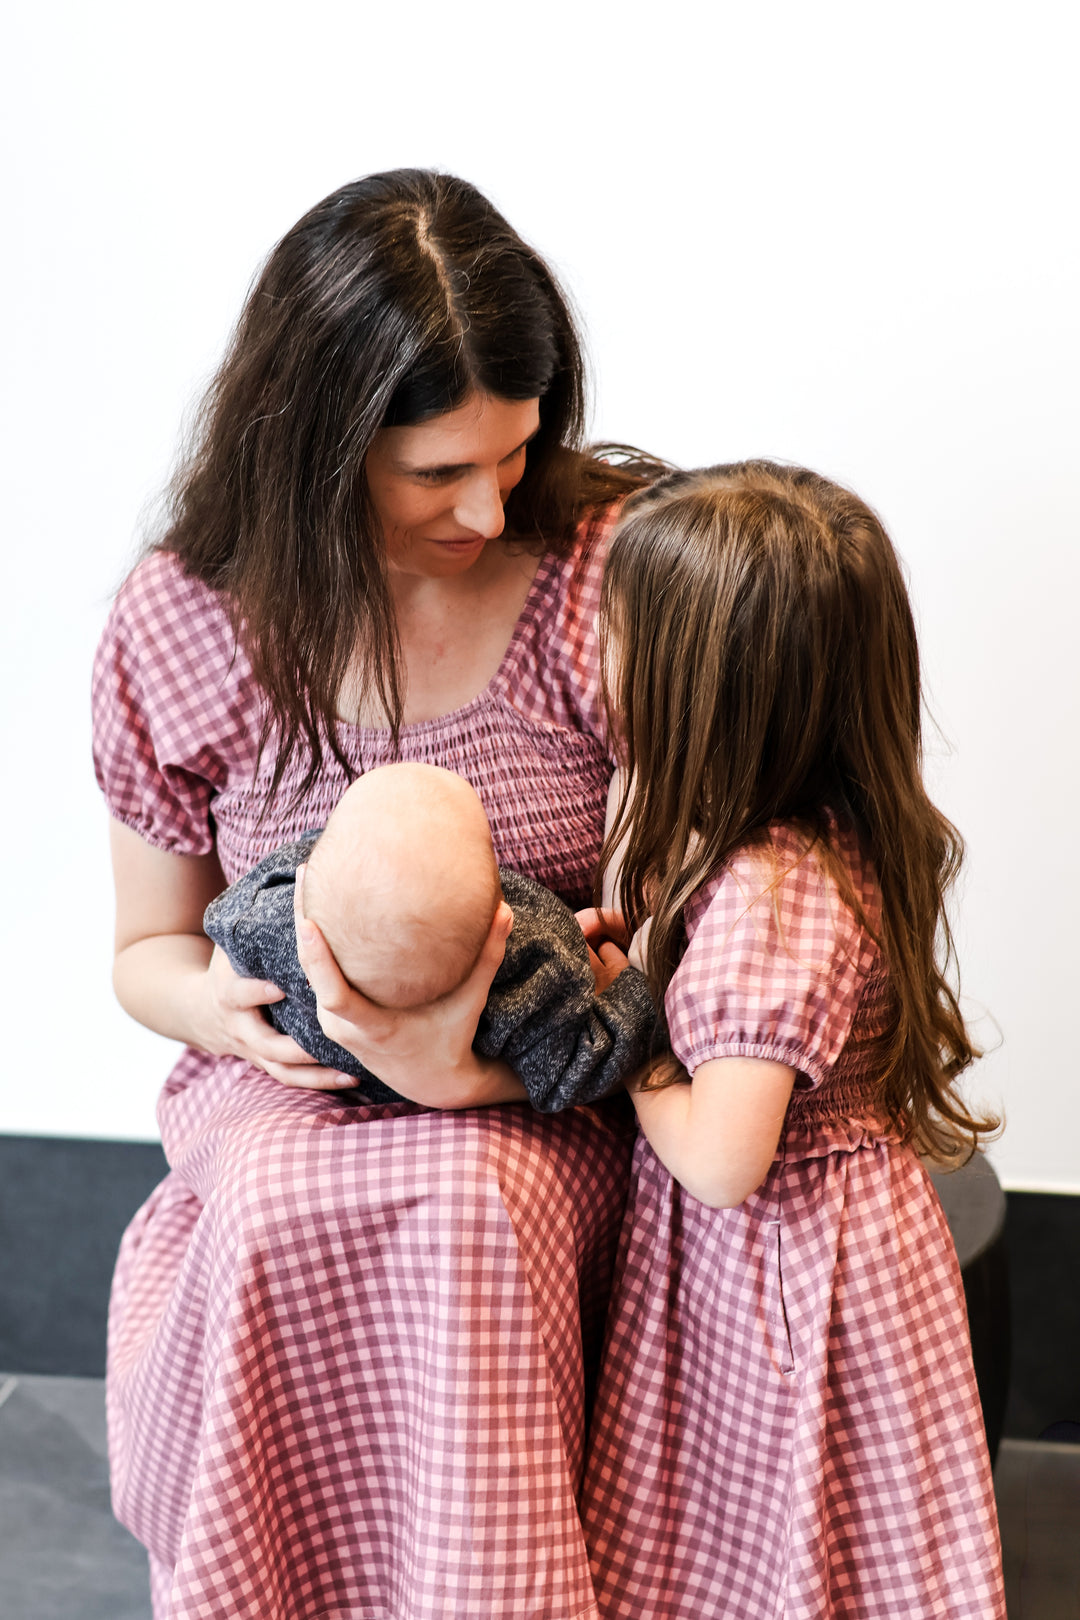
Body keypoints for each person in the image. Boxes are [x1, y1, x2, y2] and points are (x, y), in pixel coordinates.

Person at [93, 169, 657, 1620]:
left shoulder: (607, 575)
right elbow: (147, 946)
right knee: (280, 1203)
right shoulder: (186, 618)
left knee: (467, 1208)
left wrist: (488, 1061)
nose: (488, 504)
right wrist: (222, 1013)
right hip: (289, 1086)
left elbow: (689, 919)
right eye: (434, 472)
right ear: (315, 446)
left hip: (547, 1086)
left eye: (517, 452)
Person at [579, 462, 1006, 1618]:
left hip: (781, 1271)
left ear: (696, 687)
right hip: (834, 1245)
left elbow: (723, 1159)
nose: (595, 656)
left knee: (770, 1536)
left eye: (615, 634)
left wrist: (631, 1032)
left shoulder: (770, 899)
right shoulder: (810, 839)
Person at [204, 761, 655, 1110]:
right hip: (481, 1119)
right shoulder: (531, 968)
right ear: (501, 908)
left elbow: (225, 918)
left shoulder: (270, 923)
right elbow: (581, 1066)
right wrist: (641, 988)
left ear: (306, 874)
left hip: (326, 1093)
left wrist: (222, 975)